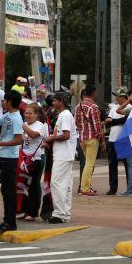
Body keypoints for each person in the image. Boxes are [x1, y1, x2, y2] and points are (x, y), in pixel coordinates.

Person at [0, 90, 24, 233]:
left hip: (10, 158)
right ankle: (7, 220)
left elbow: (18, 140)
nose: (3, 102)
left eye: (5, 100)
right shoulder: (8, 115)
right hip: (4, 157)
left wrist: (0, 144)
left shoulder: (17, 118)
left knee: (9, 191)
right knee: (5, 190)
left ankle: (10, 222)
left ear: (10, 101)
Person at [44, 91, 78, 224]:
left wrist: (51, 138)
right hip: (64, 154)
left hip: (63, 155)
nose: (53, 103)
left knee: (56, 183)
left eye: (55, 100)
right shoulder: (64, 115)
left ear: (62, 102)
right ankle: (64, 213)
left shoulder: (65, 115)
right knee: (66, 185)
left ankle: (59, 213)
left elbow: (66, 135)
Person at [106, 87, 132, 197]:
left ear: (123, 97)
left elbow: (125, 121)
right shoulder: (114, 107)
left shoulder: (131, 108)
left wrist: (113, 121)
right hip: (112, 139)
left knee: (128, 165)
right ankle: (112, 188)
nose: (116, 98)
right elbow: (107, 122)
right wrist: (115, 122)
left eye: (117, 96)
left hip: (124, 140)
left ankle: (130, 188)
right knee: (112, 164)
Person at [20, 104, 48, 221]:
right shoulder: (25, 125)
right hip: (24, 159)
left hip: (36, 159)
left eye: (30, 113)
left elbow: (33, 135)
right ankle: (25, 211)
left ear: (36, 115)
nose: (28, 115)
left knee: (34, 185)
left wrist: (22, 125)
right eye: (26, 113)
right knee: (25, 185)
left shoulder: (40, 125)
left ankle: (33, 212)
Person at [74, 86, 103, 196]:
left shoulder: (78, 106)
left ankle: (86, 186)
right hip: (92, 138)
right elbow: (97, 125)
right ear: (93, 93)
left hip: (82, 138)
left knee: (87, 162)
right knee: (90, 163)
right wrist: (101, 138)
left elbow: (75, 123)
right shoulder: (94, 107)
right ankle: (85, 188)